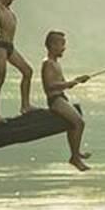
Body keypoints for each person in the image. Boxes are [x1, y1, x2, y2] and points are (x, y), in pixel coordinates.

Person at [41, 30, 92, 171]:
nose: (64, 48)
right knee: (79, 122)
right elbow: (50, 85)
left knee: (73, 123)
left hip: (61, 98)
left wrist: (78, 80)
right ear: (52, 45)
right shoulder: (48, 63)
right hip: (55, 100)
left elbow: (62, 83)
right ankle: (74, 158)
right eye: (61, 44)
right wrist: (71, 82)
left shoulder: (56, 63)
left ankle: (76, 153)